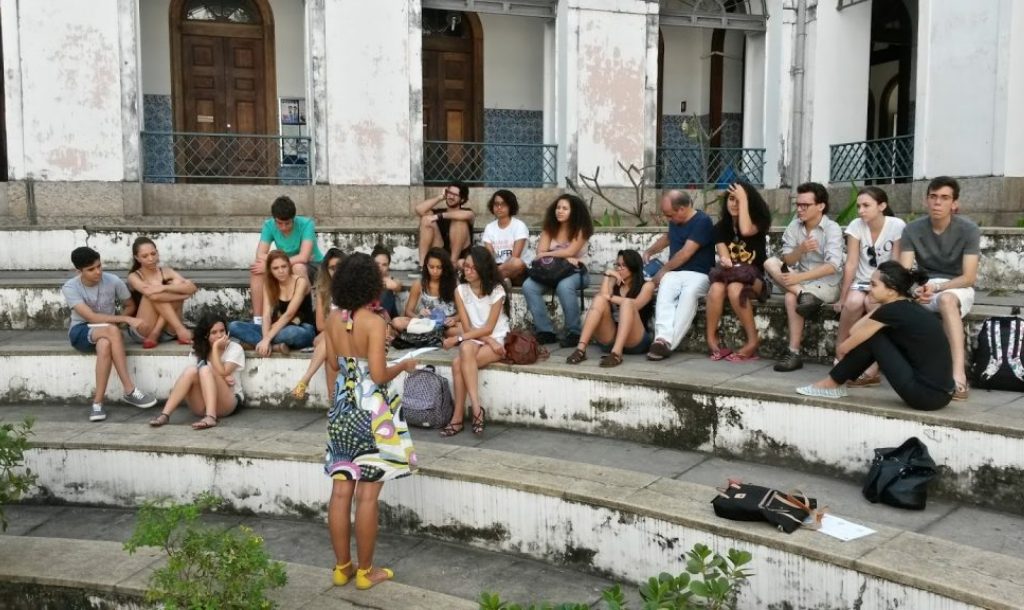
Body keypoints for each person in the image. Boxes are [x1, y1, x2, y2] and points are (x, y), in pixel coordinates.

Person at [323, 252, 417, 591]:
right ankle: (365, 572)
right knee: (367, 497)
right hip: (373, 409)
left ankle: (341, 568)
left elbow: (332, 362)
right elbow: (377, 374)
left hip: (343, 406)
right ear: (370, 284)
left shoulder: (332, 317)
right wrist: (403, 365)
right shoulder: (374, 322)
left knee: (340, 492)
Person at [796, 261, 954, 411]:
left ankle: (831, 384)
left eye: (874, 285)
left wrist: (844, 354)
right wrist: (880, 308)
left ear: (891, 290)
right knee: (874, 335)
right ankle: (834, 383)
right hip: (941, 395)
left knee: (872, 337)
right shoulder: (904, 307)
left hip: (925, 396)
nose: (868, 288)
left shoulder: (892, 311)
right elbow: (855, 330)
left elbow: (846, 345)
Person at [898, 176, 979, 400]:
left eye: (944, 198)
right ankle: (877, 370)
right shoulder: (912, 229)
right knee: (887, 301)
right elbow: (905, 273)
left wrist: (938, 287)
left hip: (956, 286)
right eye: (933, 197)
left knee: (946, 300)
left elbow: (969, 277)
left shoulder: (968, 229)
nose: (937, 203)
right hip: (926, 287)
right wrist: (914, 290)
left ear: (955, 204)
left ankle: (958, 374)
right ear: (926, 201)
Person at [62, 247, 157, 421]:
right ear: (79, 271)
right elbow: (90, 317)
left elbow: (130, 305)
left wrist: (119, 320)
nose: (97, 272)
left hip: (106, 331)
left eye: (99, 266)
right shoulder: (70, 287)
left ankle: (97, 404)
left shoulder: (112, 280)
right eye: (91, 269)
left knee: (105, 344)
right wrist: (126, 321)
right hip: (81, 330)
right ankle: (129, 389)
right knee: (111, 331)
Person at [764, 182, 844, 372]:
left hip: (826, 283)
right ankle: (803, 295)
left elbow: (832, 266)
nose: (799, 209)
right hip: (799, 281)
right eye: (798, 205)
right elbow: (788, 261)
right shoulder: (795, 226)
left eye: (805, 205)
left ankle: (793, 352)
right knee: (770, 263)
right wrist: (801, 250)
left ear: (821, 206)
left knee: (791, 297)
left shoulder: (832, 229)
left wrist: (798, 279)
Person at [834, 187, 905, 385]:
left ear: (882, 206)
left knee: (873, 305)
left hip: (885, 283)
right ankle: (840, 349)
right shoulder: (856, 226)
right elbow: (851, 263)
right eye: (858, 206)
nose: (861, 211)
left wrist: (889, 292)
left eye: (866, 206)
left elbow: (896, 264)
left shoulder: (897, 226)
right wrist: (842, 296)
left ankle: (872, 364)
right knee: (853, 302)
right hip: (862, 280)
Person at [440, 246, 510, 437]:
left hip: (497, 338)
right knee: (465, 348)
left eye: (472, 268)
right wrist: (466, 338)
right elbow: (469, 327)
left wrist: (460, 338)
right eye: (466, 267)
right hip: (476, 337)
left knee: (458, 364)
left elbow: (489, 328)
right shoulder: (460, 290)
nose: (467, 271)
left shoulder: (497, 291)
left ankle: (458, 418)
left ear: (483, 269)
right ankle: (477, 409)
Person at [642, 190, 715, 361]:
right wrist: (650, 250)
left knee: (688, 295)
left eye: (669, 214)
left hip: (699, 274)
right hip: (676, 273)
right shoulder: (675, 220)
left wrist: (662, 272)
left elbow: (685, 253)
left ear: (681, 209)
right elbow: (668, 237)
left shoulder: (702, 221)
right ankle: (661, 339)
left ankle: (666, 344)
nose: (668, 218)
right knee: (665, 288)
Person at [705, 182, 772, 362]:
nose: (734, 204)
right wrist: (725, 262)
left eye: (739, 200)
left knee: (735, 288)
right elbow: (724, 256)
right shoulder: (720, 228)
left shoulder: (759, 221)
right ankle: (712, 340)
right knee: (716, 289)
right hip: (731, 276)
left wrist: (744, 199)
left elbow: (745, 230)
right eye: (731, 199)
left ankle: (752, 341)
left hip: (756, 280)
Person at [148, 312, 245, 430]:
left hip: (229, 402)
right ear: (206, 335)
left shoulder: (235, 348)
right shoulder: (200, 349)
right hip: (201, 404)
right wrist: (222, 376)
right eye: (214, 332)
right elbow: (206, 374)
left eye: (222, 331)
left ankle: (210, 417)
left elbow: (223, 371)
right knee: (191, 371)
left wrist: (215, 348)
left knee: (204, 370)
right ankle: (165, 415)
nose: (219, 335)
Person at [522, 194, 594, 347]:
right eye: (558, 207)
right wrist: (556, 255)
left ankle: (573, 332)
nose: (560, 211)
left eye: (565, 208)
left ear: (574, 212)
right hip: (551, 273)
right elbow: (540, 251)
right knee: (528, 286)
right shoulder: (550, 228)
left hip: (576, 272)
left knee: (564, 286)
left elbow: (570, 252)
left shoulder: (580, 230)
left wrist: (549, 254)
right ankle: (545, 331)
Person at [565, 249, 654, 368]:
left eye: (624, 266)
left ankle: (616, 354)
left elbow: (636, 304)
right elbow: (602, 298)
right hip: (611, 337)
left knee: (627, 303)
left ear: (634, 267)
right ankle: (580, 350)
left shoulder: (648, 285)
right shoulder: (614, 281)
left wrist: (610, 297)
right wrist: (607, 275)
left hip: (636, 341)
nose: (619, 269)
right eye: (618, 265)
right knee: (599, 299)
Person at [229, 250, 316, 355]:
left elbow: (289, 314)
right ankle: (274, 347)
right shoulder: (269, 284)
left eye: (284, 266)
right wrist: (266, 338)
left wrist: (267, 339)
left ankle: (255, 343)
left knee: (291, 333)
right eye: (276, 268)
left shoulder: (300, 282)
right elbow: (266, 316)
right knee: (233, 326)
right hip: (275, 328)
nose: (281, 271)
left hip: (301, 328)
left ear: (289, 266)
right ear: (270, 270)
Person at [249, 196, 324, 318]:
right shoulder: (269, 225)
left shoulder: (306, 224)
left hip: (313, 266)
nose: (283, 227)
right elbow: (260, 254)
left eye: (287, 223)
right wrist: (271, 265)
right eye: (279, 223)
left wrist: (273, 264)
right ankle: (258, 320)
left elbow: (304, 257)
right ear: (274, 220)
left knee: (298, 267)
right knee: (257, 270)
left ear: (293, 219)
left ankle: (306, 315)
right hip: (286, 264)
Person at [292, 248, 346, 401]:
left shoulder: (353, 290)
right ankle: (332, 402)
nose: (336, 271)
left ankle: (306, 379)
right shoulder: (323, 291)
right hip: (331, 336)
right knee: (329, 351)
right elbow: (320, 325)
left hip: (351, 332)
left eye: (339, 266)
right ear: (326, 269)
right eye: (332, 268)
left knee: (325, 340)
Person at [126, 236, 197, 348]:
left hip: (168, 331)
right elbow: (151, 295)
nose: (150, 258)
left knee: (177, 283)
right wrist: (181, 296)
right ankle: (179, 330)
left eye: (153, 254)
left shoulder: (167, 271)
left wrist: (164, 288)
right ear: (137, 258)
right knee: (153, 290)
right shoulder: (134, 276)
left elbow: (192, 287)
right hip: (144, 330)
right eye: (145, 256)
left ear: (157, 253)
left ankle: (157, 332)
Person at [392, 247, 461, 337]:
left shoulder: (454, 283)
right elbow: (408, 311)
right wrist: (419, 316)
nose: (435, 271)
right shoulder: (419, 283)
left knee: (463, 330)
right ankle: (434, 335)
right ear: (426, 266)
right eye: (431, 267)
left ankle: (431, 335)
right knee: (397, 322)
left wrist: (454, 319)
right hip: (426, 323)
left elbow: (462, 313)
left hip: (447, 325)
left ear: (445, 267)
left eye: (439, 267)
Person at [415, 182, 475, 267]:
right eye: (449, 193)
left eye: (455, 194)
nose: (450, 196)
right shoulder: (438, 212)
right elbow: (419, 209)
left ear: (462, 199)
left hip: (460, 257)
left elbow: (468, 215)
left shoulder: (467, 212)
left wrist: (440, 216)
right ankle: (422, 266)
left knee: (459, 221)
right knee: (426, 219)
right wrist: (440, 197)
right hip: (441, 253)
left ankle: (452, 264)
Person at [481, 189, 529, 284]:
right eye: (496, 204)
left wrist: (494, 271)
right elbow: (490, 256)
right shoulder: (489, 227)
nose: (499, 207)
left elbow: (515, 256)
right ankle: (502, 280)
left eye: (503, 204)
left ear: (510, 206)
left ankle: (494, 278)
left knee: (516, 263)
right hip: (496, 265)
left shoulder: (519, 225)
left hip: (516, 269)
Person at [371, 245, 403, 319]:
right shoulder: (364, 279)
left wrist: (387, 282)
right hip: (368, 318)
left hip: (386, 319)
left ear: (388, 266)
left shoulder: (390, 280)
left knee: (387, 290)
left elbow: (397, 285)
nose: (380, 267)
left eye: (384, 265)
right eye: (377, 264)